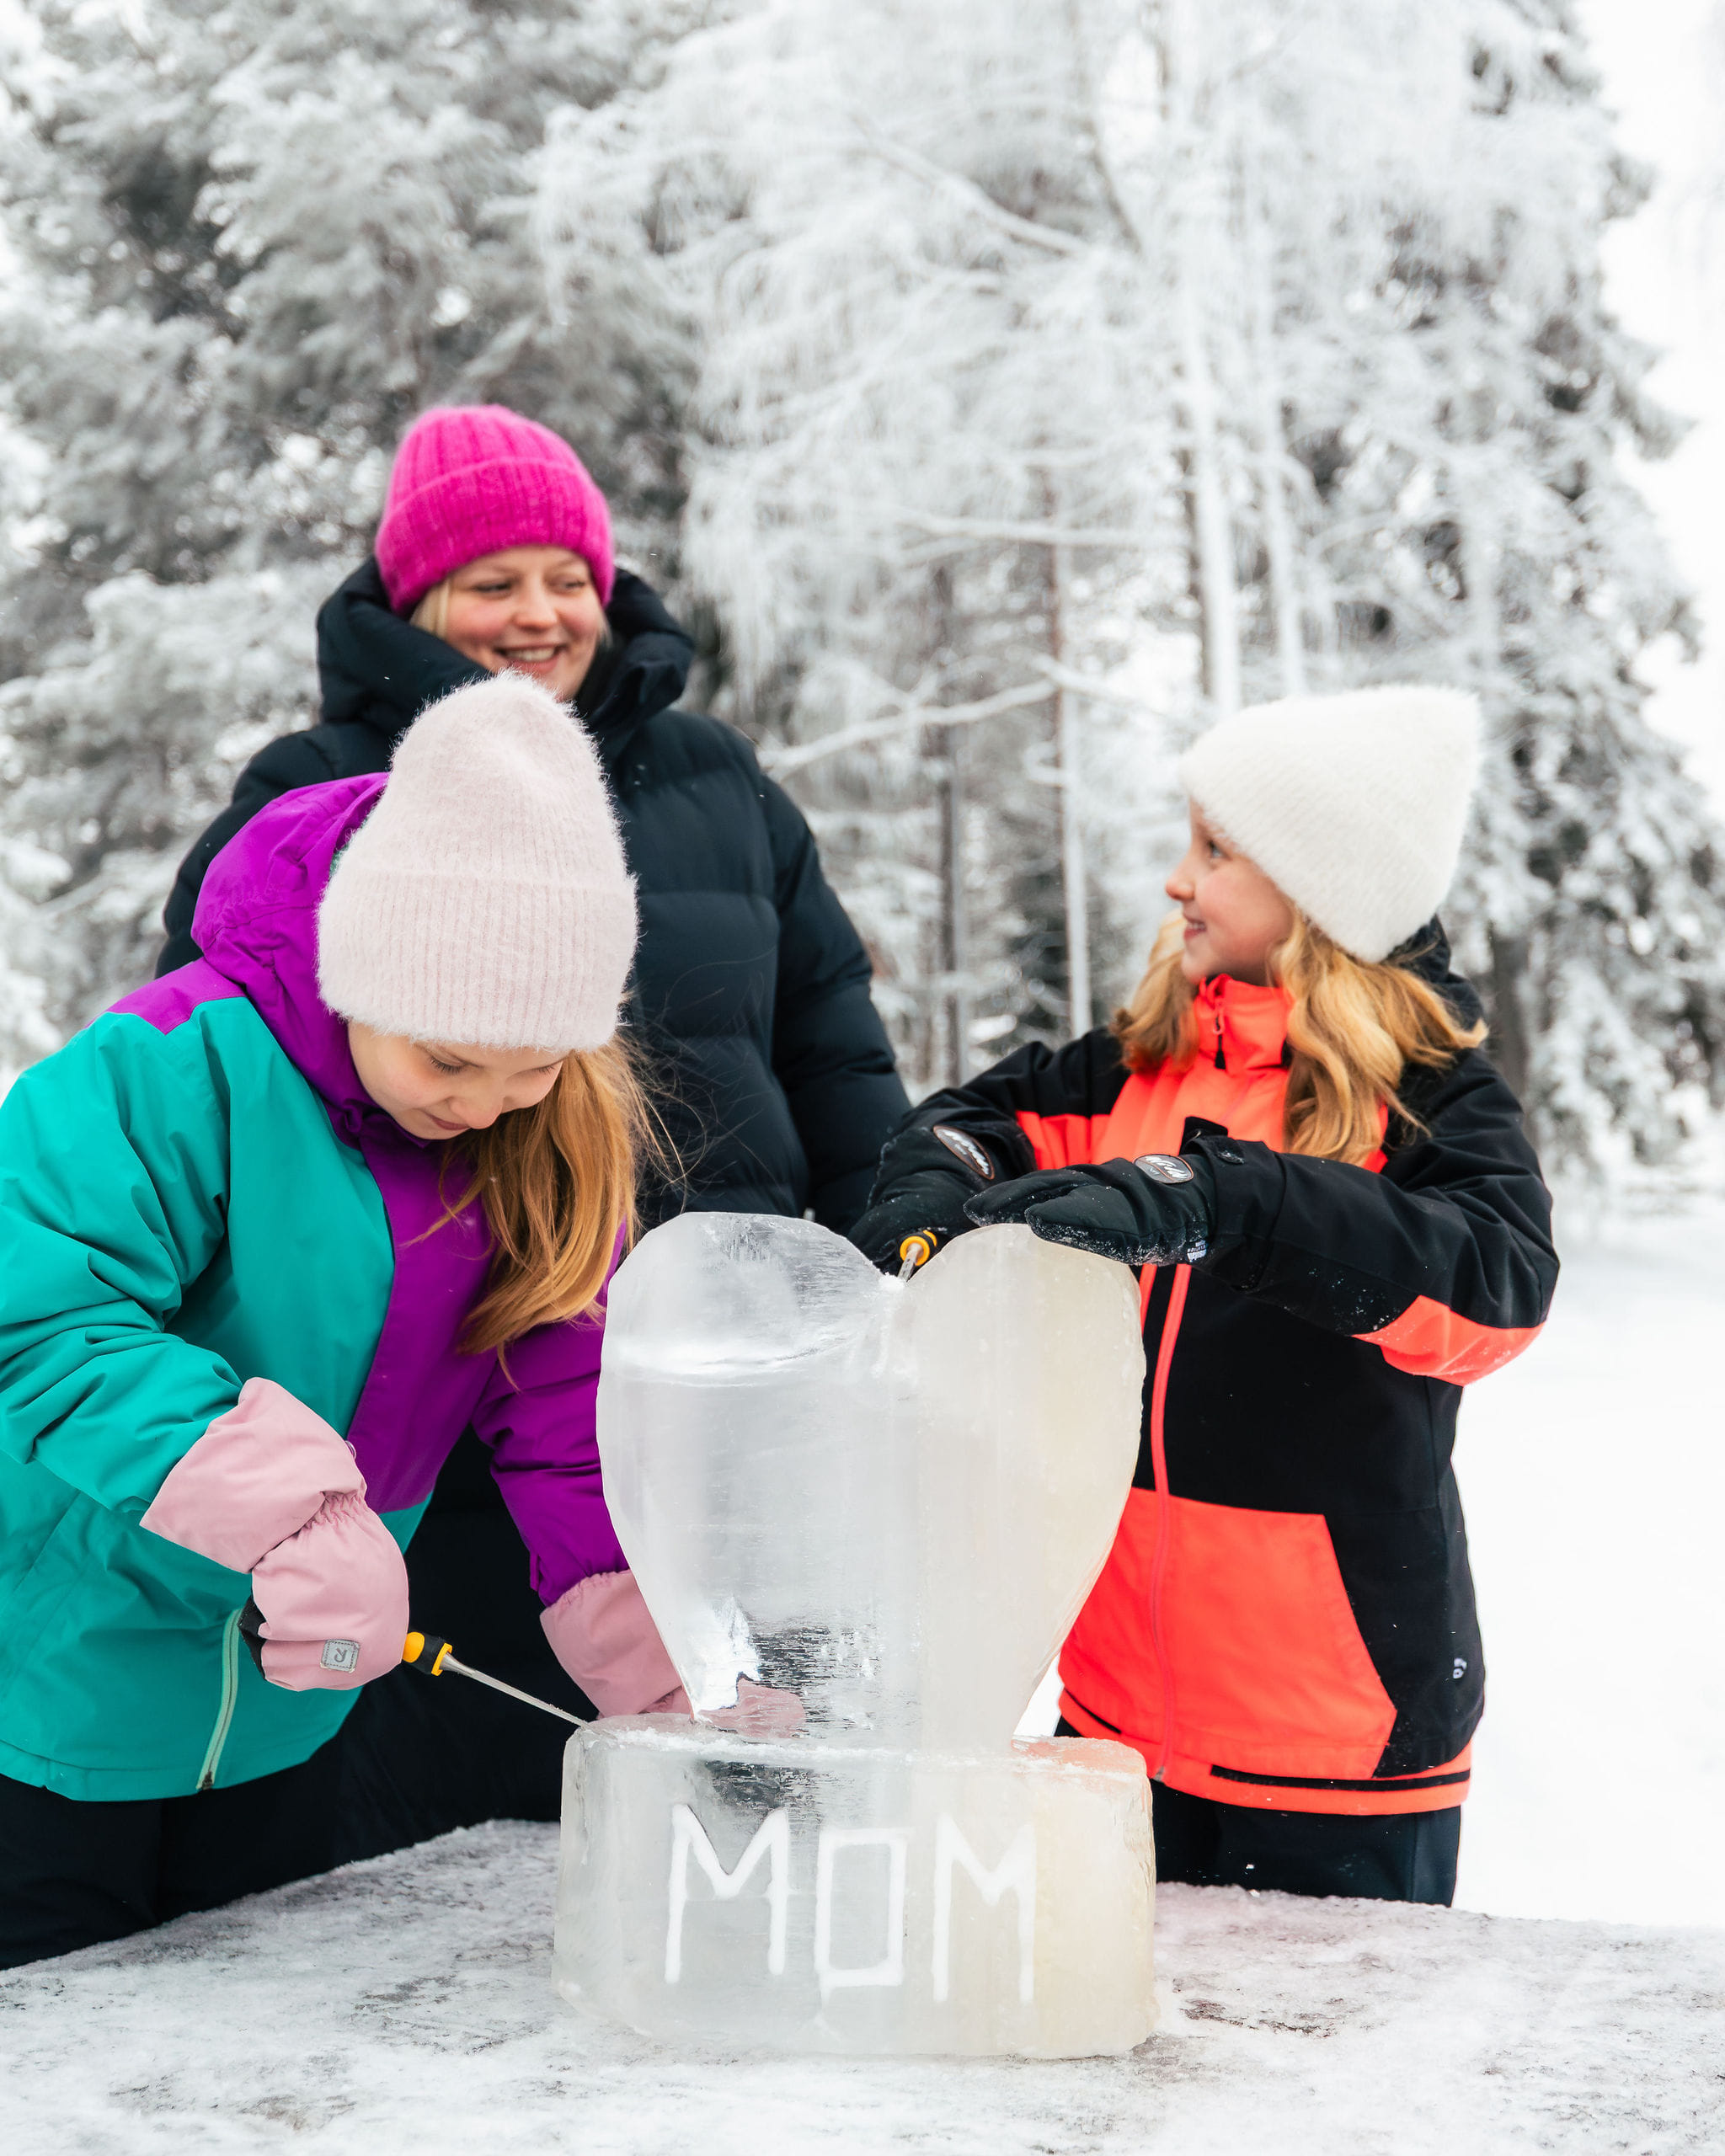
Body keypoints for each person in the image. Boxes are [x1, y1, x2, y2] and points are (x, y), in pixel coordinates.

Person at [155, 405, 908, 1858]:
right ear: (414, 600)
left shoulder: (717, 781)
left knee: (722, 1744)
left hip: (723, 1380)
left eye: (567, 578)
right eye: (490, 582)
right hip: (457, 1370)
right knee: (459, 1783)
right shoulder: (319, 791)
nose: (539, 614)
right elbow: (229, 1063)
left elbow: (830, 1038)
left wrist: (882, 1253)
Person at [0, 675, 693, 1967]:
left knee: (244, 2015)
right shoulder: (177, 1065)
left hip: (291, 1700)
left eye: (533, 1064)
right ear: (362, 974)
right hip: (52, 1680)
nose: (483, 1104)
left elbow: (567, 1420)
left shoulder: (543, 1137)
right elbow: (41, 1317)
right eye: (448, 1058)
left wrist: (656, 1664)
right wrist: (302, 1517)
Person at [850, 686, 1557, 1907]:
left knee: (1328, 2042)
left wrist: (1234, 1202)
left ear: (1321, 891)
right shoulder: (1139, 1068)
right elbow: (975, 1121)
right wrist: (936, 1178)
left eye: (1217, 851)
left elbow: (1498, 1291)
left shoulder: (1429, 1100)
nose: (1179, 881)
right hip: (1111, 1720)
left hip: (1333, 1749)